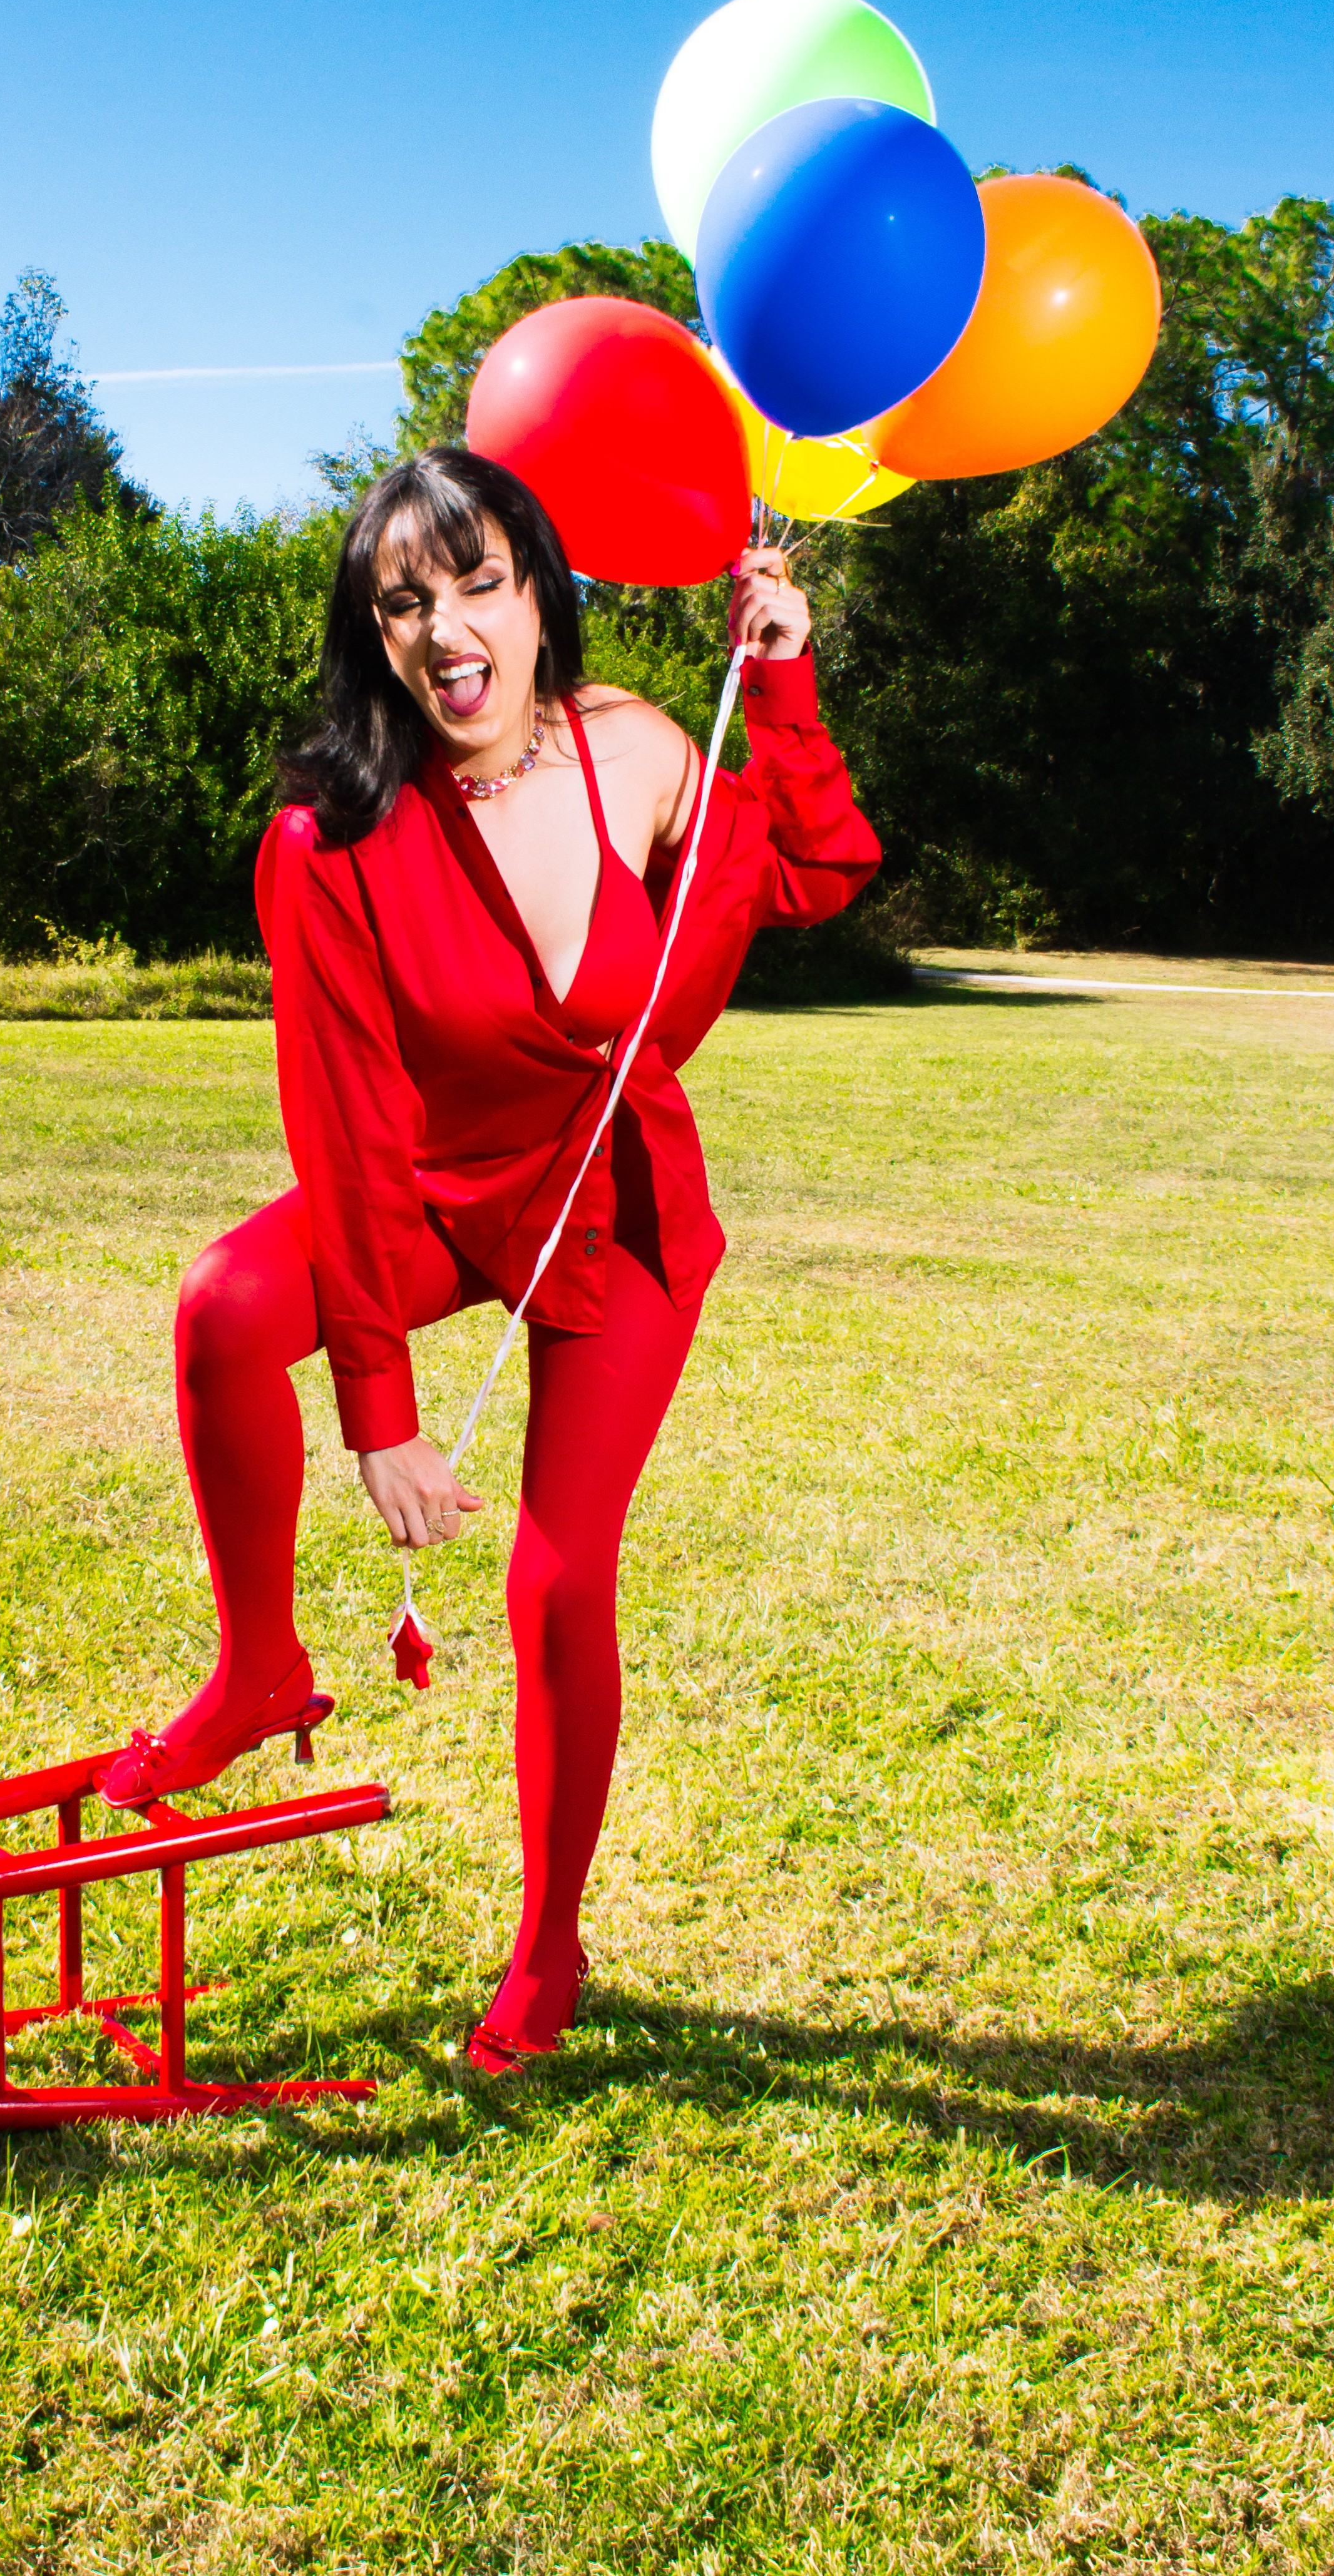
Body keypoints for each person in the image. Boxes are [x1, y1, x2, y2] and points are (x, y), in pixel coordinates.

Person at [102, 446, 881, 2072]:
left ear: (541, 596)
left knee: (554, 1575)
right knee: (228, 1305)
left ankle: (549, 1945)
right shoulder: (330, 839)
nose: (447, 627)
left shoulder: (634, 751)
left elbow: (812, 871)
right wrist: (379, 1407)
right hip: (436, 1193)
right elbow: (347, 1124)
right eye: (405, 599)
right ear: (369, 632)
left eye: (479, 584)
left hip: (618, 1199)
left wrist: (786, 683)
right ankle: (260, 1671)